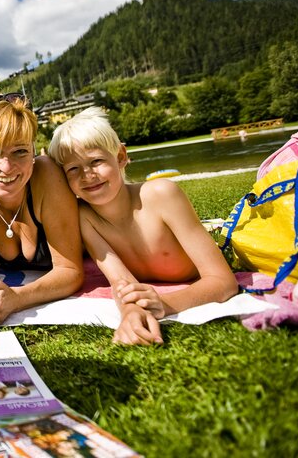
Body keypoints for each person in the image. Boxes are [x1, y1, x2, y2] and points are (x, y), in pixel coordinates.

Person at [48, 107, 238, 345]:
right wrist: (131, 311)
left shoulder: (161, 195)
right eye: (73, 169)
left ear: (120, 157)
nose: (87, 174)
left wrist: (164, 304)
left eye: (96, 161)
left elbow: (223, 282)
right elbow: (121, 281)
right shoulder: (85, 217)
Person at [0, 93, 83, 324]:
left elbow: (70, 270)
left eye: (20, 151)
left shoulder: (47, 175)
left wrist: (15, 298)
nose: (7, 167)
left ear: (33, 149)